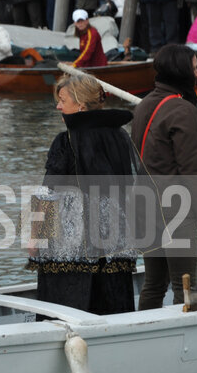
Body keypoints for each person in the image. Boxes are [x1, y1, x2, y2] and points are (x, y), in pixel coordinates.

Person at [29, 71, 143, 315]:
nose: (58, 106)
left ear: (80, 105)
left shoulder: (65, 140)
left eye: (62, 100)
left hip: (72, 242)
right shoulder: (119, 136)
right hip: (113, 239)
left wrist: (35, 237)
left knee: (68, 305)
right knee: (111, 303)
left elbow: (48, 191)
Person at [131, 44, 197, 309]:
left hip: (144, 206)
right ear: (181, 71)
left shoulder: (144, 105)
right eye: (194, 67)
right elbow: (192, 171)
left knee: (154, 284)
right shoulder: (183, 110)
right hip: (175, 211)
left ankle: (144, 343)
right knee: (187, 285)